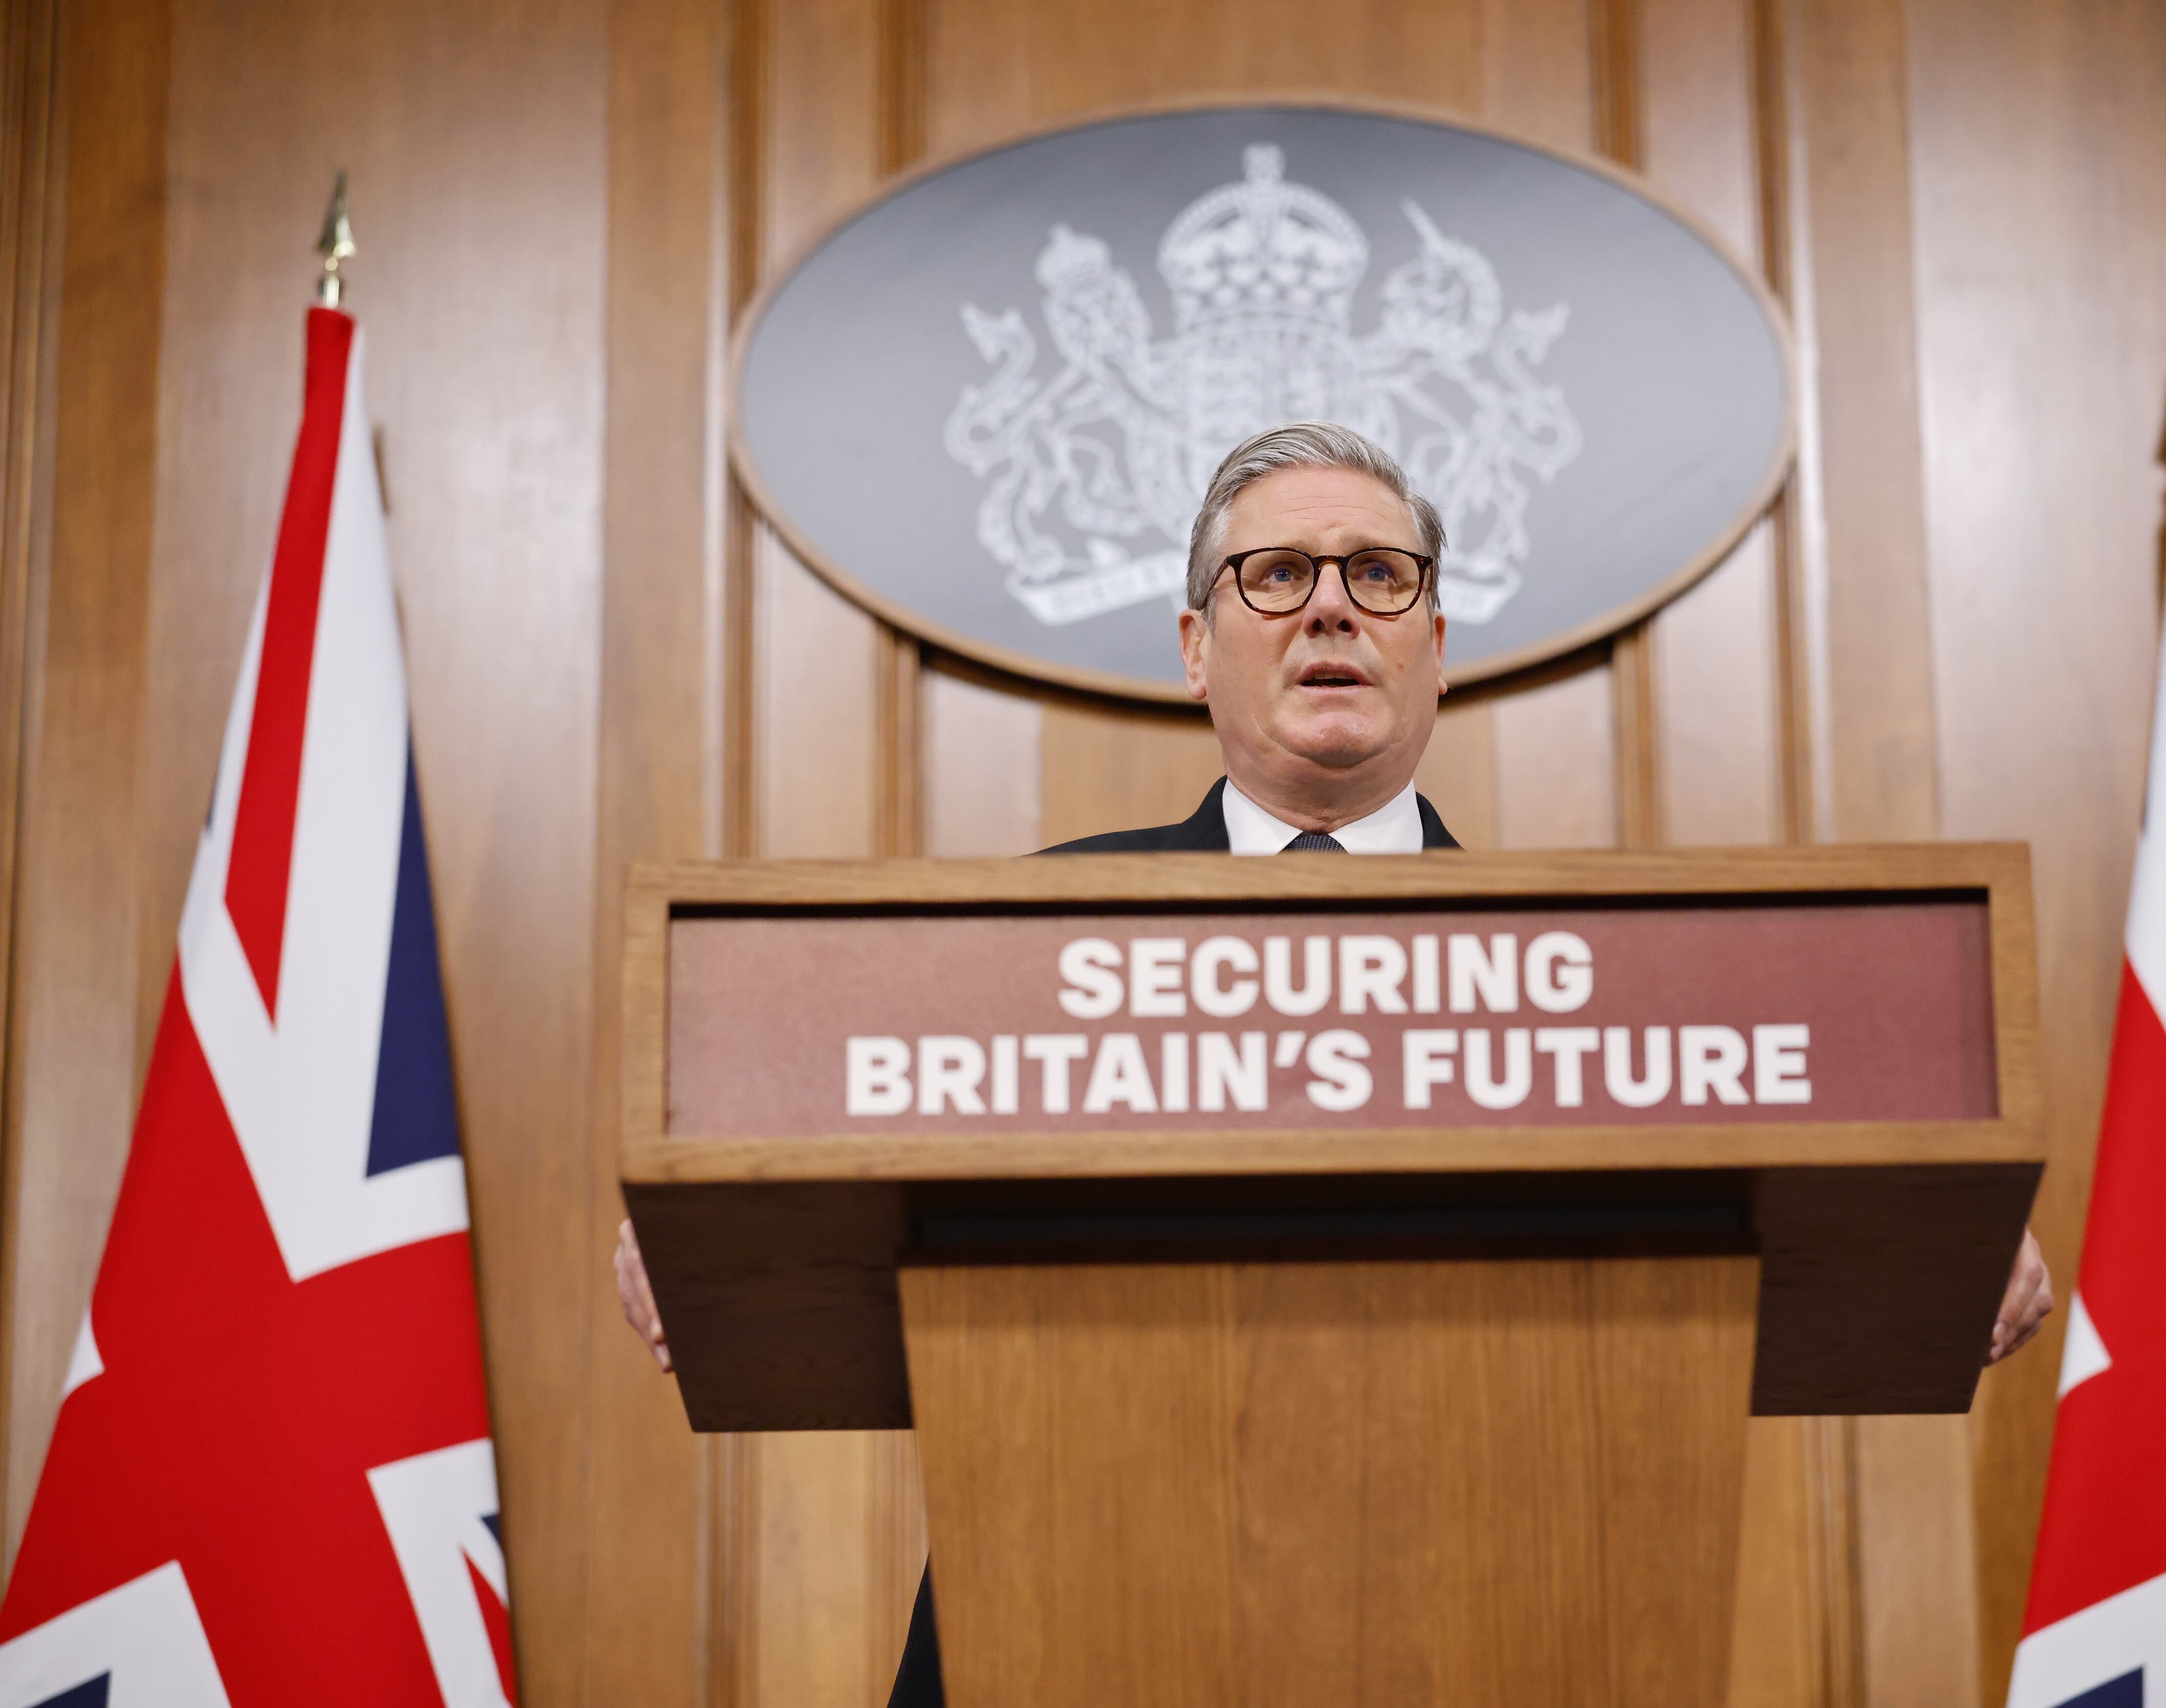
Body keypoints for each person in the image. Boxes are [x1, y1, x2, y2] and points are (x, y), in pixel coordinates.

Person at [612, 421, 2055, 1706]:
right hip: (1061, 1603)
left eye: (1380, 576)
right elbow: (809, 1131)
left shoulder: (1593, 969)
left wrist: (1945, 1226)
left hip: (1493, 1613)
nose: (1330, 610)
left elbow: (1805, 1128)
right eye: (1276, 576)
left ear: (1435, 642)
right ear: (1196, 646)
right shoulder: (1028, 935)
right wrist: (697, 1217)